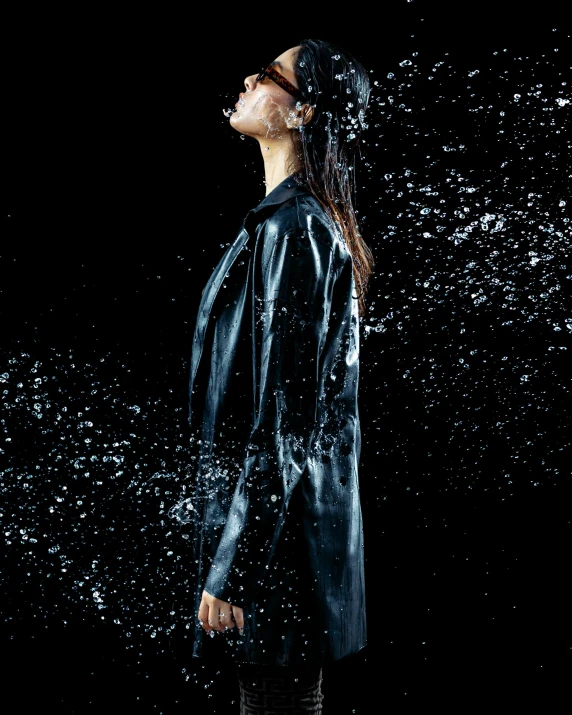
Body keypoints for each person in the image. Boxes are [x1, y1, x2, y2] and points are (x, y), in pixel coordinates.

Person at [170, 38, 374, 714]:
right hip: (280, 544)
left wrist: (234, 563)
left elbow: (289, 424)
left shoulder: (294, 230)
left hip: (280, 555)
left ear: (303, 111)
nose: (249, 80)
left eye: (269, 75)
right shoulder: (282, 224)